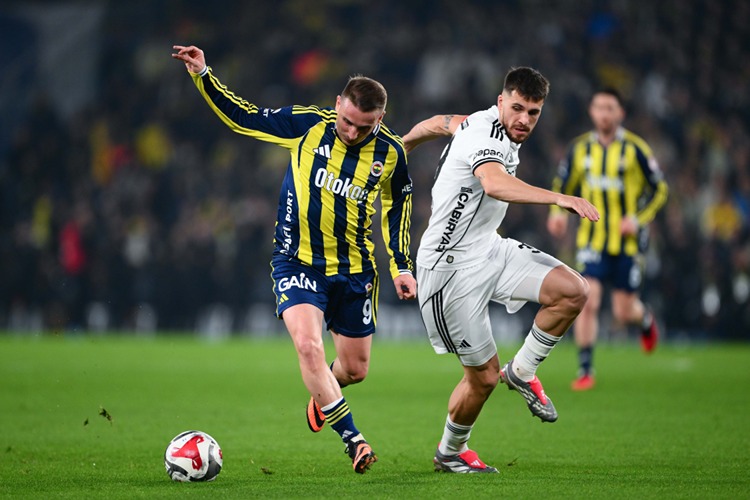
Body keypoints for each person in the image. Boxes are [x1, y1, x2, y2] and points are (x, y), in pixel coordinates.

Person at [172, 45, 417, 474]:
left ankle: (324, 396)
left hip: (355, 270)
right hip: (297, 261)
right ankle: (354, 440)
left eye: (364, 126)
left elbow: (397, 209)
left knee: (355, 370)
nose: (351, 132)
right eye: (346, 121)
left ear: (380, 119)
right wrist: (204, 75)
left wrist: (401, 266)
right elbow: (245, 117)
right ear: (337, 103)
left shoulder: (391, 153)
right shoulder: (307, 126)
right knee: (308, 346)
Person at [402, 67, 599, 473]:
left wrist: (401, 145)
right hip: (448, 269)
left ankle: (523, 371)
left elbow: (439, 122)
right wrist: (559, 198)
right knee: (484, 378)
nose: (524, 119)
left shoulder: (477, 122)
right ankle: (451, 451)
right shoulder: (485, 134)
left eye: (533, 112)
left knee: (574, 291)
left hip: (489, 248)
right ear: (500, 102)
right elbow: (493, 183)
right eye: (517, 108)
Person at [547, 88, 668, 391]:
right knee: (587, 299)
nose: (604, 113)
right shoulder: (579, 150)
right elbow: (563, 184)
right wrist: (557, 213)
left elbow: (660, 189)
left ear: (620, 113)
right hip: (592, 240)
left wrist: (637, 219)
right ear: (591, 111)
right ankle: (585, 369)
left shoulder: (636, 149)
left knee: (622, 312)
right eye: (599, 107)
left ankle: (644, 319)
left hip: (627, 243)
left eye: (610, 107)